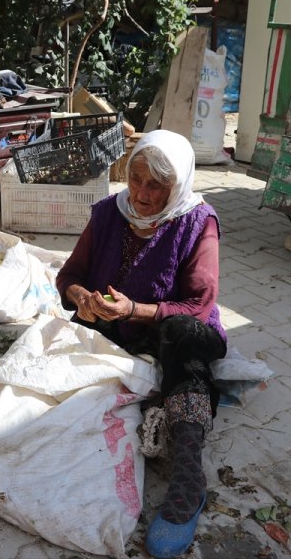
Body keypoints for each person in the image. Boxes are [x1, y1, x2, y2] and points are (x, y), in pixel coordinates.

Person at [55, 129, 226, 559]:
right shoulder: (109, 213)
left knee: (183, 346)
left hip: (176, 327)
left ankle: (188, 479)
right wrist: (84, 299)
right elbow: (68, 276)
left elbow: (198, 305)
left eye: (156, 184)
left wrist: (134, 310)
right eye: (136, 179)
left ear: (178, 184)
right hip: (118, 325)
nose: (142, 194)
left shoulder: (198, 223)